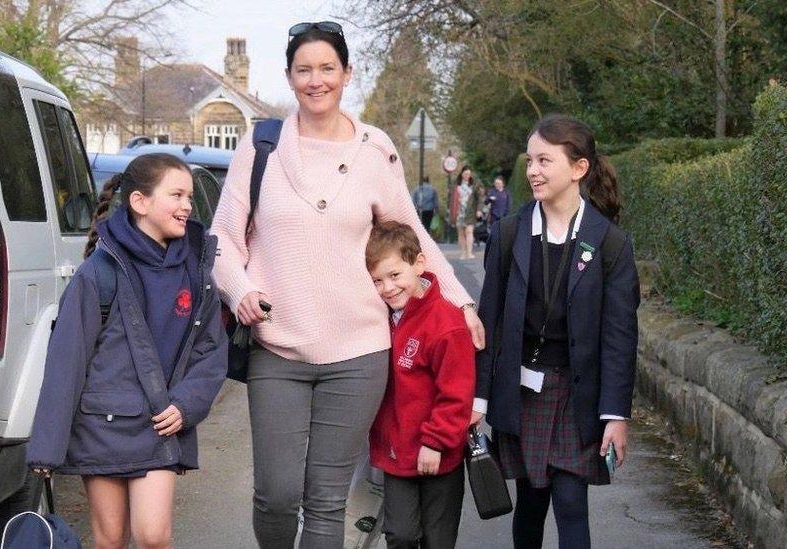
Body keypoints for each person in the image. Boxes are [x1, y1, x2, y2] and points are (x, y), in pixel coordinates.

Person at [211, 21, 485, 549]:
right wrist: (239, 289)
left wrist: (461, 300)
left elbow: (417, 241)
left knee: (326, 499)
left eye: (327, 68)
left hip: (360, 355)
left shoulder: (374, 149)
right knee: (276, 493)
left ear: (347, 73)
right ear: (289, 77)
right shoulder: (260, 145)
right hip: (278, 348)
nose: (316, 80)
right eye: (304, 70)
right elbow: (223, 238)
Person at [27, 153, 228, 549]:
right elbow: (67, 361)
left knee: (153, 536)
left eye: (189, 196)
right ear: (140, 202)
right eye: (177, 194)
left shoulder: (196, 272)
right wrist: (46, 450)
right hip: (101, 425)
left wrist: (187, 406)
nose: (188, 205)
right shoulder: (97, 273)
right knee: (110, 539)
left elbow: (210, 352)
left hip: (160, 423)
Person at [474, 114, 640, 548]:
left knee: (571, 502)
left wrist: (616, 415)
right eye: (530, 160)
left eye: (544, 160)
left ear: (578, 169)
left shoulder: (610, 243)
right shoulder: (509, 233)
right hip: (522, 391)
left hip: (576, 394)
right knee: (531, 502)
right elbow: (487, 319)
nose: (533, 171)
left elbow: (620, 337)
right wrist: (478, 398)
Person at [365, 221, 476, 549]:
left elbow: (456, 393)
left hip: (440, 453)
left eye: (395, 275)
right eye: (377, 281)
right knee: (400, 534)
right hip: (397, 451)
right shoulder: (379, 318)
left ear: (419, 264)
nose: (387, 288)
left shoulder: (447, 324)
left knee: (437, 540)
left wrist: (436, 442)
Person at [451, 166, 481, 259]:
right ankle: (463, 252)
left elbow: (479, 198)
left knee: (469, 231)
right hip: (459, 212)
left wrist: (479, 210)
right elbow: (451, 199)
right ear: (462, 174)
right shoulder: (456, 184)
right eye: (465, 174)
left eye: (469, 174)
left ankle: (469, 252)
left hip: (470, 212)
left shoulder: (474, 184)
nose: (467, 175)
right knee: (461, 233)